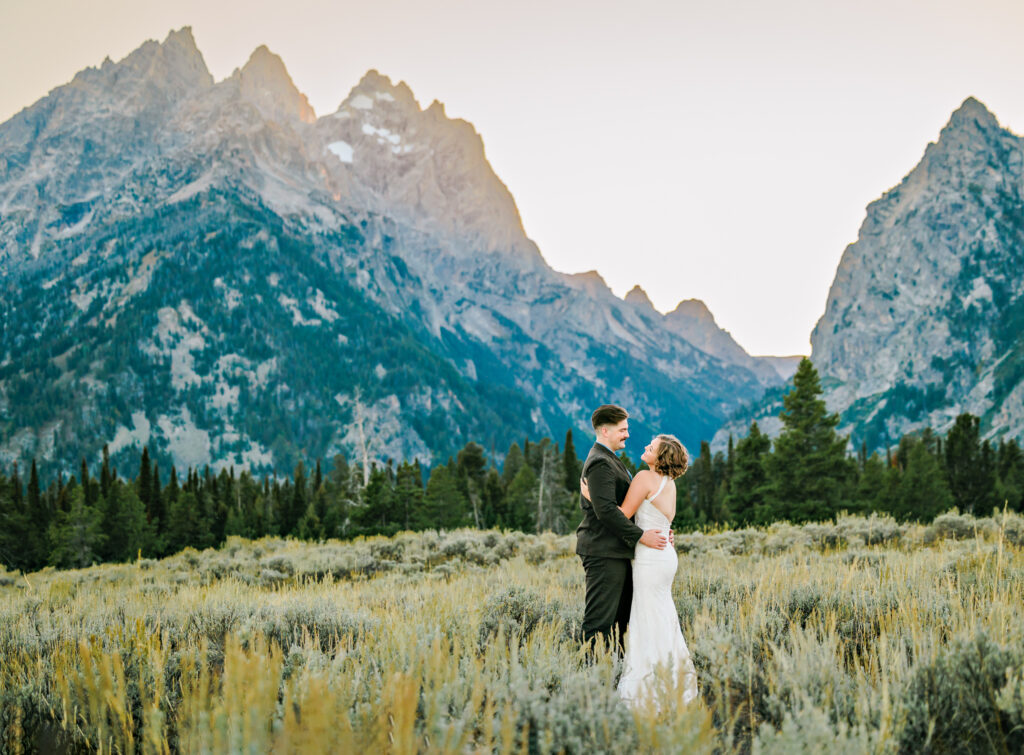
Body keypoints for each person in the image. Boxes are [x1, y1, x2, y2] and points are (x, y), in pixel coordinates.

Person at [590, 433, 699, 708]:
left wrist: (591, 495)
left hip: (650, 556)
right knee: (662, 614)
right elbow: (663, 520)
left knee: (647, 617)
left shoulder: (643, 478)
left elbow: (621, 514)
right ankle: (674, 681)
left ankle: (648, 688)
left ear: (660, 457)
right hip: (665, 555)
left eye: (653, 446)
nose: (647, 446)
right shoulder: (669, 483)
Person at [575, 405, 670, 652]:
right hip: (603, 552)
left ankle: (614, 676)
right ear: (605, 430)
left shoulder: (608, 459)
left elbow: (623, 505)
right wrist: (642, 536)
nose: (627, 434)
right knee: (599, 623)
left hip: (616, 552)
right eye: (623, 429)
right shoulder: (600, 463)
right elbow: (606, 511)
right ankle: (590, 681)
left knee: (620, 622)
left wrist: (657, 527)